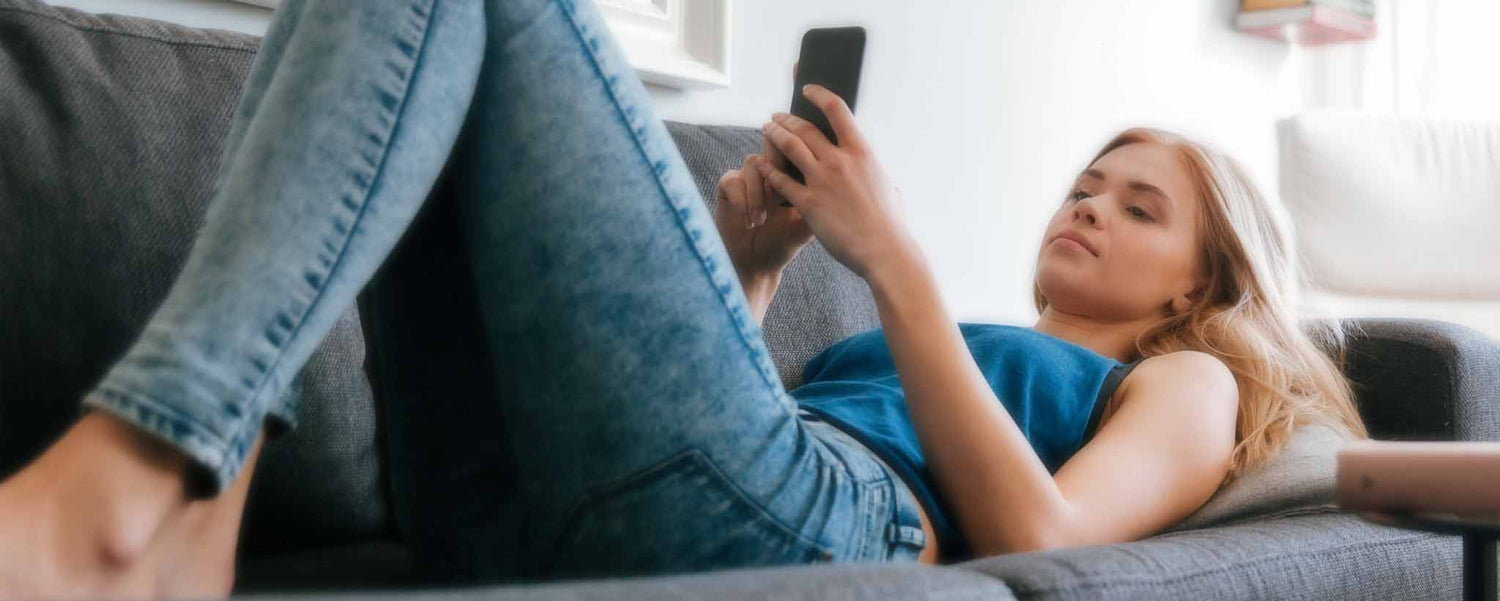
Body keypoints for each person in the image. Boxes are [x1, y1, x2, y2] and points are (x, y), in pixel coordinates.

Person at [0, 0, 1372, 597]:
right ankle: (203, 490)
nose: (1088, 206)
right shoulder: (973, 344)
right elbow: (703, 454)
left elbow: (1045, 537)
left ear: (1207, 276)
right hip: (530, 510)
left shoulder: (1189, 378)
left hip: (823, 524)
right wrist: (756, 267)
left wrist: (891, 261)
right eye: (1085, 182)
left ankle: (144, 483)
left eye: (1140, 207)